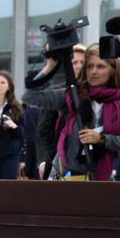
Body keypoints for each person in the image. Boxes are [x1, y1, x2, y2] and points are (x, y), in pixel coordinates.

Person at [23, 43, 120, 181]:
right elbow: (29, 97)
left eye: (100, 66)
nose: (93, 71)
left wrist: (102, 139)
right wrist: (50, 66)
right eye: (89, 66)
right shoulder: (71, 96)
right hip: (64, 175)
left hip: (100, 177)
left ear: (113, 70)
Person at [30, 44, 86, 179]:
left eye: (82, 62)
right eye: (74, 62)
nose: (78, 66)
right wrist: (47, 159)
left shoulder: (99, 92)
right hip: (60, 162)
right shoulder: (58, 92)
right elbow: (43, 128)